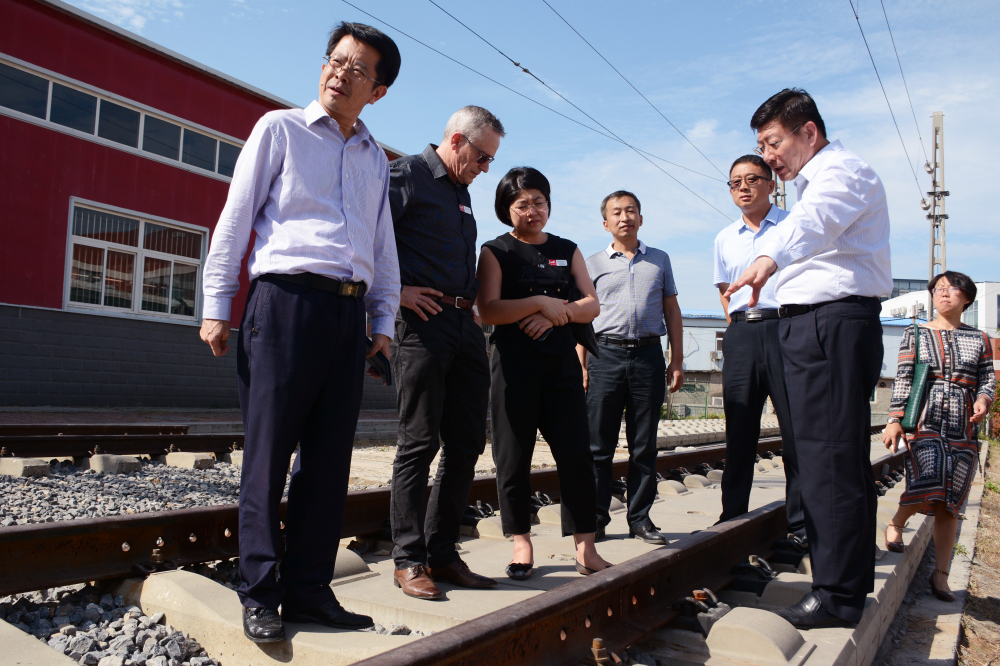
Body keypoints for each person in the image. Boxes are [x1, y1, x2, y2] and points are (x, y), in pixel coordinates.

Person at [199, 23, 401, 643]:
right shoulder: (279, 129)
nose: (340, 73)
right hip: (284, 304)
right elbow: (235, 218)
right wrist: (216, 303)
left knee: (328, 462)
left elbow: (382, 245)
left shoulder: (375, 158)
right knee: (267, 458)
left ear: (379, 91)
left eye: (357, 69)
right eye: (335, 60)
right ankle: (260, 591)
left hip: (348, 315)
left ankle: (310, 589)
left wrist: (383, 320)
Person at [725, 88, 891, 628]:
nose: (768, 156)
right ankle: (844, 583)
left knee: (827, 460)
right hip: (817, 325)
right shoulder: (814, 181)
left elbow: (813, 223)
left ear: (809, 132)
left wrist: (767, 257)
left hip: (830, 324)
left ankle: (836, 596)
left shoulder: (842, 172)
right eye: (762, 146)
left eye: (773, 143)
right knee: (832, 458)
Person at [387, 106, 505, 599]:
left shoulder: (462, 192)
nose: (485, 169)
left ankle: (442, 553)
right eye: (482, 157)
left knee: (466, 443)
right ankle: (408, 559)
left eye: (490, 161)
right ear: (456, 140)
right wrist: (396, 292)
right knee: (419, 442)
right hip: (422, 325)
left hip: (463, 325)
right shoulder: (405, 175)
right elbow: (363, 237)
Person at [476, 167, 611, 579]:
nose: (532, 211)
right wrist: (539, 302)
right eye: (522, 204)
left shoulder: (567, 249)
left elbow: (592, 304)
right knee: (512, 456)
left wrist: (557, 314)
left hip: (561, 365)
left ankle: (585, 546)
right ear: (506, 209)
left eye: (539, 202)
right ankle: (521, 543)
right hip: (513, 366)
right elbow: (489, 310)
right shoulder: (495, 251)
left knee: (576, 453)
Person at [579, 190, 683, 545]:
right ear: (605, 223)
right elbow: (584, 317)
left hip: (648, 357)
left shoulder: (660, 260)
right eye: (617, 212)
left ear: (641, 218)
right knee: (598, 446)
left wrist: (677, 359)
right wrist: (581, 365)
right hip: (604, 355)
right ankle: (595, 518)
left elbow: (672, 310)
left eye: (631, 211)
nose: (625, 217)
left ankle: (640, 519)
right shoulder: (592, 263)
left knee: (644, 445)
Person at [883, 271, 994, 602]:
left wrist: (983, 400)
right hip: (925, 421)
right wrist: (894, 420)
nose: (944, 293)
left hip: (964, 427)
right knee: (926, 482)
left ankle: (941, 575)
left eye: (952, 288)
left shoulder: (980, 338)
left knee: (950, 502)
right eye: (938, 288)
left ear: (967, 298)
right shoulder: (916, 333)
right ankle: (898, 521)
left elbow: (987, 379)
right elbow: (904, 377)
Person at [713, 156, 804, 542]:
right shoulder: (724, 237)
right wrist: (738, 327)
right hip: (741, 335)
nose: (743, 187)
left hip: (786, 329)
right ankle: (731, 517)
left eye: (752, 179)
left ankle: (800, 524)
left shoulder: (793, 224)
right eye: (735, 182)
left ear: (771, 184)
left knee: (795, 431)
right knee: (739, 432)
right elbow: (725, 291)